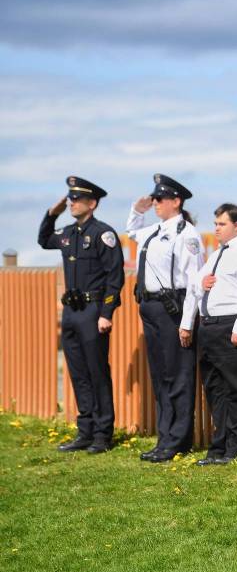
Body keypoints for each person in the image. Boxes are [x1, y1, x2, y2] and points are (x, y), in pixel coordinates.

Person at [38, 176, 124, 453]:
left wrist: (106, 312)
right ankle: (84, 431)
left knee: (97, 372)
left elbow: (115, 276)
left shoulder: (103, 234)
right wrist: (52, 214)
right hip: (72, 312)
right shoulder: (67, 234)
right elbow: (43, 240)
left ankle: (102, 435)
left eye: (76, 199)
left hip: (93, 311)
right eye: (70, 199)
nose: (72, 203)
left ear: (92, 203)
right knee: (78, 373)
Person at [179, 203, 237, 465]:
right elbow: (195, 284)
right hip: (210, 327)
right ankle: (220, 446)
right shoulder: (217, 254)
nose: (216, 229)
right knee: (216, 390)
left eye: (221, 224)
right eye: (216, 224)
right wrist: (200, 286)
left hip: (233, 326)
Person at [127, 174, 204, 463]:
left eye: (160, 199)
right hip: (150, 307)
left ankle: (179, 440)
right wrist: (138, 210)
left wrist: (187, 323)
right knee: (160, 375)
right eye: (154, 198)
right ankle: (165, 438)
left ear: (176, 201)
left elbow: (194, 281)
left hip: (174, 307)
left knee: (179, 375)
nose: (156, 203)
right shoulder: (154, 230)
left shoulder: (187, 233)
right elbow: (131, 231)